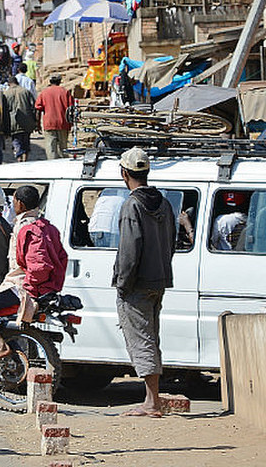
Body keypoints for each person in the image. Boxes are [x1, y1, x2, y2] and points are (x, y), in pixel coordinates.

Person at [0, 185, 67, 362]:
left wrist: (29, 289)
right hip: (33, 287)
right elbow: (61, 257)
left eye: (13, 202)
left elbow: (39, 265)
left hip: (20, 287)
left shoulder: (26, 228)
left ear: (19, 203)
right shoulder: (47, 226)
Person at [114, 147, 176, 418]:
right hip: (158, 279)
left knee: (141, 340)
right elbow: (171, 242)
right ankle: (153, 399)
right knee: (151, 337)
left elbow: (129, 250)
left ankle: (152, 403)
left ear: (124, 173)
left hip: (137, 284)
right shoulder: (164, 203)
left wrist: (123, 285)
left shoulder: (132, 205)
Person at [35, 75, 74, 160]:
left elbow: (38, 110)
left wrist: (37, 124)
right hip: (63, 123)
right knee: (63, 148)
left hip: (49, 123)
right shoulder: (65, 92)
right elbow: (71, 109)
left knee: (51, 149)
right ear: (59, 81)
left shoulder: (44, 92)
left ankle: (52, 166)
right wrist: (72, 123)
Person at [2, 76, 37, 162]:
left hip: (13, 123)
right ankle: (25, 160)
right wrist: (35, 122)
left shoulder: (6, 93)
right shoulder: (25, 91)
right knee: (26, 144)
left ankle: (19, 160)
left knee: (17, 142)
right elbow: (33, 107)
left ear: (8, 84)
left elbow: (3, 110)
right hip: (27, 123)